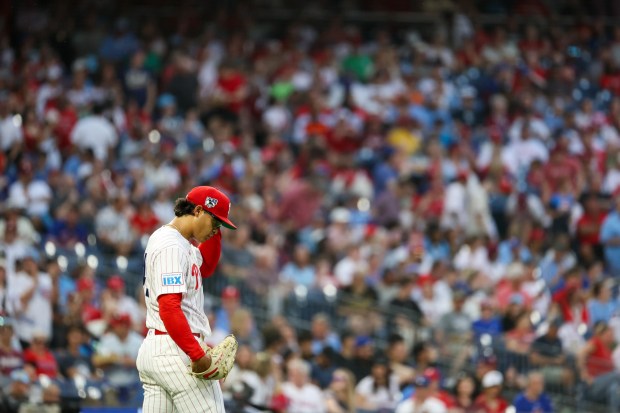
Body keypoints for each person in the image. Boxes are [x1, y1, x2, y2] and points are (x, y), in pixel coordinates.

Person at [136, 186, 237, 413]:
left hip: (162, 347)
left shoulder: (182, 244)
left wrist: (215, 225)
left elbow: (207, 266)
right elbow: (169, 308)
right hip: (176, 350)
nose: (216, 230)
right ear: (199, 211)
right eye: (215, 223)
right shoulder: (171, 245)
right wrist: (197, 354)